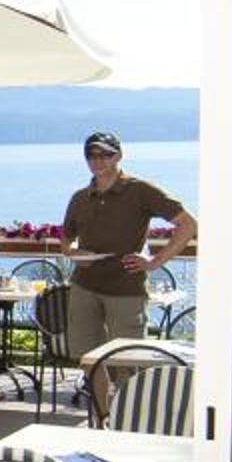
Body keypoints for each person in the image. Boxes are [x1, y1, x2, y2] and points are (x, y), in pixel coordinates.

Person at [56, 131, 197, 352]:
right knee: (85, 356)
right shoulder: (80, 198)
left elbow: (188, 224)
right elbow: (66, 241)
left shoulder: (140, 191)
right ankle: (99, 379)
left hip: (126, 289)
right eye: (92, 155)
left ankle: (122, 378)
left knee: (127, 358)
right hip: (84, 287)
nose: (98, 160)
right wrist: (75, 253)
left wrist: (155, 261)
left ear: (119, 156)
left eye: (105, 154)